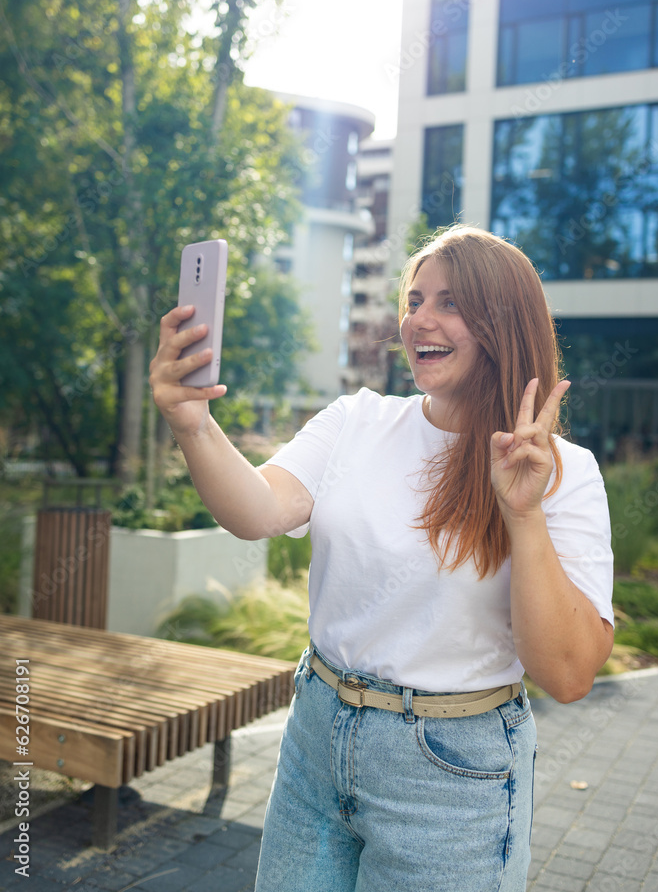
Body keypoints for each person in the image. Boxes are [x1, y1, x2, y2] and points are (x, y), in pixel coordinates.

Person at [149, 224, 614, 892]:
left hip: (451, 774)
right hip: (317, 731)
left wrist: (523, 515)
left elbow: (566, 674)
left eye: (450, 303)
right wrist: (192, 424)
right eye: (414, 300)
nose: (418, 319)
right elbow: (258, 510)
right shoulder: (356, 419)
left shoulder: (563, 473)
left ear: (505, 325)